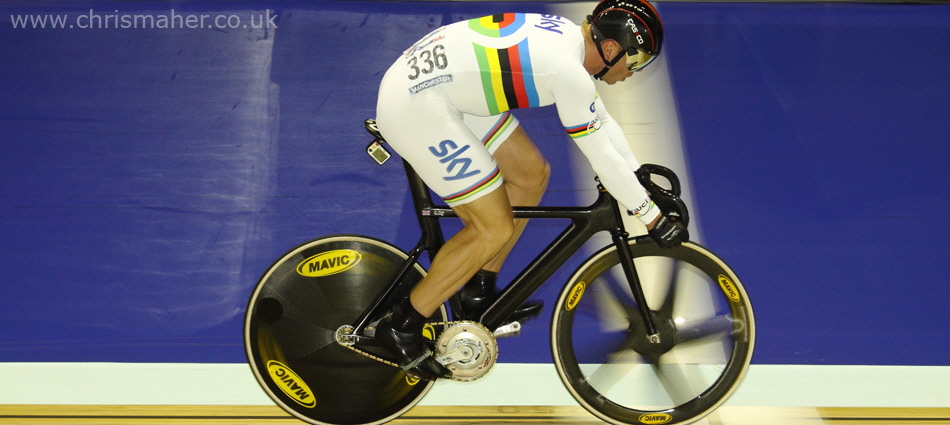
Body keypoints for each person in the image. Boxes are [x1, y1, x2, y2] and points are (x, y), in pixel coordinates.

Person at [373, 0, 688, 380]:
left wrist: (637, 175)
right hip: (418, 103)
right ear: (610, 49)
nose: (633, 73)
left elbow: (601, 119)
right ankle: (400, 323)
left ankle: (478, 288)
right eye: (635, 61)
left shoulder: (570, 39)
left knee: (530, 174)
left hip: (442, 88)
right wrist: (650, 216)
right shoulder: (567, 72)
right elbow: (601, 157)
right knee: (493, 227)